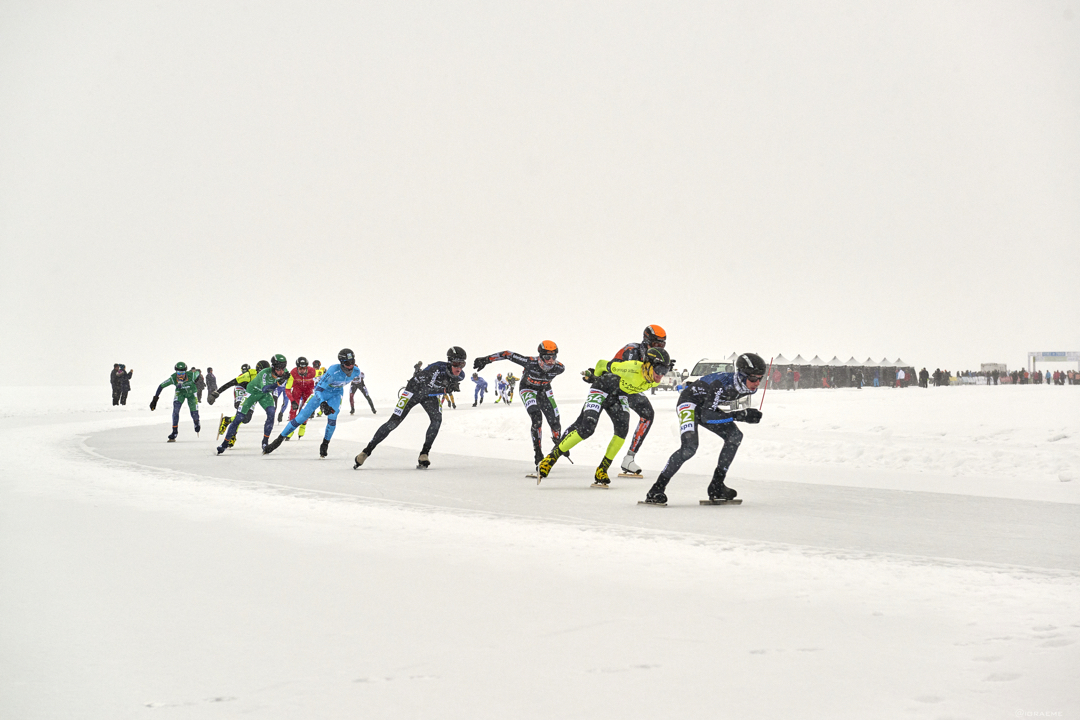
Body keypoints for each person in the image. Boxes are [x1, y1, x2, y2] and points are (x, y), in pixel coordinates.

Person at [537, 347, 672, 487]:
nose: (660, 375)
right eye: (659, 370)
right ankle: (550, 459)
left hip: (618, 396)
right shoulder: (630, 368)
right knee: (587, 428)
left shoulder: (655, 380)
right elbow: (602, 364)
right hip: (601, 389)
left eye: (665, 371)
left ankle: (602, 469)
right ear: (648, 364)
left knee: (622, 431)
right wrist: (595, 376)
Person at [643, 352, 765, 505]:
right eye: (753, 378)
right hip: (689, 402)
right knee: (689, 448)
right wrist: (740, 415)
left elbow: (710, 411)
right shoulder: (720, 384)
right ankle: (656, 489)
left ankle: (717, 485)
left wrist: (742, 414)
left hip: (706, 405)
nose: (757, 382)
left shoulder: (746, 386)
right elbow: (708, 417)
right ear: (740, 375)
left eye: (761, 378)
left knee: (735, 436)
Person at [353, 347, 467, 470]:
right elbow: (426, 389)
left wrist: (445, 388)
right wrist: (445, 389)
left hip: (429, 396)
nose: (459, 368)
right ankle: (366, 451)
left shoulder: (460, 376)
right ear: (449, 362)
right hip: (412, 391)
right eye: (456, 364)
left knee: (437, 420)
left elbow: (430, 392)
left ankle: (424, 454)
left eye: (462, 364)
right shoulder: (437, 369)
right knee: (393, 423)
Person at [473, 341, 566, 466]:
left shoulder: (560, 368)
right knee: (536, 418)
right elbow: (507, 354)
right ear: (540, 356)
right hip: (528, 389)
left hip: (544, 390)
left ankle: (558, 442)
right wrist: (487, 359)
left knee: (555, 421)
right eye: (547, 357)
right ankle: (538, 452)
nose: (550, 361)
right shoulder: (530, 362)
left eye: (553, 357)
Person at [264, 349, 364, 458]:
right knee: (301, 418)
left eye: (353, 362)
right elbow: (318, 390)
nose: (351, 366)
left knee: (333, 416)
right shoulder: (332, 371)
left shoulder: (356, 371)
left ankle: (325, 444)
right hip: (322, 392)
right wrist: (322, 403)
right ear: (341, 362)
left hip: (336, 394)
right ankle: (278, 441)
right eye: (348, 363)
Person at [610, 324, 669, 476]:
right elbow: (618, 369)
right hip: (614, 388)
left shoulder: (655, 355)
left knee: (648, 415)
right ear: (646, 340)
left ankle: (629, 458)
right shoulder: (632, 350)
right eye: (656, 344)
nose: (659, 347)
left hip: (630, 390)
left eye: (662, 344)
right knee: (597, 424)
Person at [212, 355, 289, 453]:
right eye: (279, 369)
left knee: (271, 413)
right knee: (240, 418)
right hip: (251, 393)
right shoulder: (261, 373)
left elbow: (289, 382)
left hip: (264, 395)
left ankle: (265, 442)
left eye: (283, 369)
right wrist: (217, 392)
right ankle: (225, 443)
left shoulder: (284, 373)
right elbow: (234, 382)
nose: (281, 372)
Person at [150, 362, 202, 442]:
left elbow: (198, 372)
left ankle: (196, 422)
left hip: (191, 393)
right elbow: (161, 386)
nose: (180, 375)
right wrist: (155, 399)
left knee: (194, 412)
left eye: (182, 373)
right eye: (178, 372)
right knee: (175, 411)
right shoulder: (173, 378)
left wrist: (197, 373)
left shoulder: (191, 375)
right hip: (180, 393)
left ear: (185, 372)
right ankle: (174, 432)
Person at [213, 362, 259, 443]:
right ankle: (233, 433)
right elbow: (231, 383)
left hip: (250, 392)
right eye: (243, 371)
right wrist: (218, 392)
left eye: (246, 370)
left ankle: (228, 420)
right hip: (240, 388)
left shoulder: (261, 376)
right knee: (240, 412)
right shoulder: (246, 375)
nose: (245, 373)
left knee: (246, 418)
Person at [283, 357, 318, 437]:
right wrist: (292, 401)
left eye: (304, 368)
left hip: (308, 390)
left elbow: (323, 372)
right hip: (297, 389)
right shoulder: (293, 372)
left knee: (306, 409)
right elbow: (287, 389)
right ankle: (290, 429)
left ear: (306, 367)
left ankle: (303, 426)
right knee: (293, 409)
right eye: (300, 368)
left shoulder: (312, 371)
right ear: (297, 368)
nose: (302, 370)